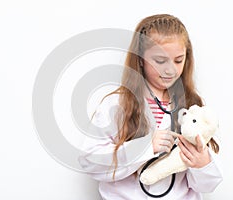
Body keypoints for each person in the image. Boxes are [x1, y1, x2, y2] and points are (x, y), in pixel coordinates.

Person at [79, 14, 223, 200]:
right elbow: (90, 162)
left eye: (178, 60)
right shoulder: (116, 104)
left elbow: (208, 184)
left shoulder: (193, 108)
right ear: (140, 59)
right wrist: (145, 148)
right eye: (160, 61)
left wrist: (202, 164)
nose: (170, 70)